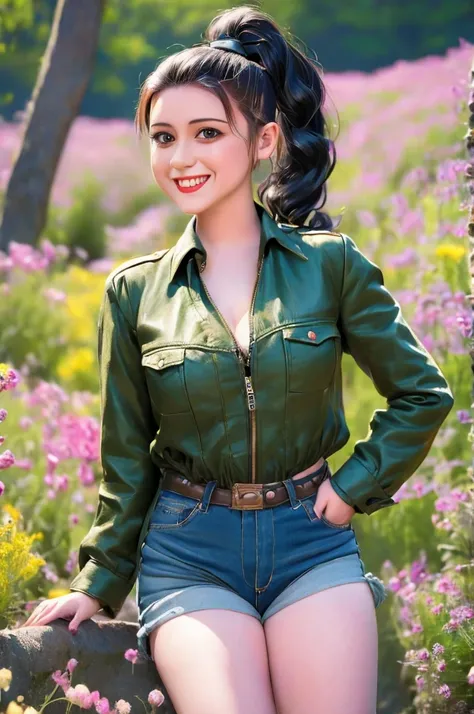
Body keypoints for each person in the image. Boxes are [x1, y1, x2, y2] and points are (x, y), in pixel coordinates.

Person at [19, 5, 454, 713]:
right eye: (163, 137)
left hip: (310, 541)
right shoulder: (135, 291)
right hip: (191, 553)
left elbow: (422, 393)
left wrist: (351, 490)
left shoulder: (330, 264)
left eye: (207, 133)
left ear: (264, 140)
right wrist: (99, 584)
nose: (181, 156)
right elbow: (127, 461)